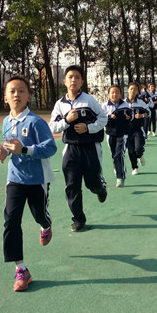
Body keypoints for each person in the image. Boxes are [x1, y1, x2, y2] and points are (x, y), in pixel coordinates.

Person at [0, 75, 58, 292]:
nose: (16, 95)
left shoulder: (36, 122)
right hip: (15, 179)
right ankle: (21, 269)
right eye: (12, 91)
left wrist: (25, 150)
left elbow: (51, 148)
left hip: (38, 179)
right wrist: (4, 152)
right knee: (11, 221)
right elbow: (9, 145)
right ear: (5, 97)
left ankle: (46, 224)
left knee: (39, 214)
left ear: (28, 96)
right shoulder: (6, 121)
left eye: (21, 91)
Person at [50, 65, 108, 232]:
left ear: (82, 81)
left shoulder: (89, 101)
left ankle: (100, 189)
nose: (73, 80)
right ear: (64, 81)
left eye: (77, 77)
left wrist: (88, 128)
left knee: (92, 183)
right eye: (70, 77)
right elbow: (52, 127)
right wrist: (66, 120)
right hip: (71, 150)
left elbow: (103, 118)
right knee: (72, 186)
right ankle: (78, 219)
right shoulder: (60, 104)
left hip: (90, 149)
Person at [103, 85, 133, 188]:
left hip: (123, 133)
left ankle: (120, 177)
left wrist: (129, 117)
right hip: (110, 134)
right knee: (114, 155)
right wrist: (109, 117)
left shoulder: (125, 105)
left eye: (117, 92)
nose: (115, 94)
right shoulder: (105, 106)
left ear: (120, 94)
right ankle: (118, 171)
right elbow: (101, 118)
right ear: (108, 95)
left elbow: (131, 115)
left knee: (119, 154)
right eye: (112, 92)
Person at [126, 82, 150, 175]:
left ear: (137, 92)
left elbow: (148, 112)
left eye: (135, 89)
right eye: (131, 89)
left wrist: (141, 115)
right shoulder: (123, 103)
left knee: (138, 148)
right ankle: (134, 167)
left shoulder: (141, 103)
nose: (133, 91)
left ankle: (140, 155)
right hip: (127, 131)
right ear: (128, 90)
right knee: (131, 151)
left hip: (138, 130)